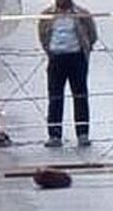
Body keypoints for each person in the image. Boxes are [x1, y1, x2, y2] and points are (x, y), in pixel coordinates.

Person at [39, 0, 99, 147]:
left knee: (80, 96)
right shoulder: (46, 15)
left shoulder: (82, 14)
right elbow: (42, 36)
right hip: (56, 58)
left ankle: (83, 134)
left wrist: (84, 48)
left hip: (76, 57)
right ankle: (54, 135)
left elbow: (92, 35)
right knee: (55, 97)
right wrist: (50, 50)